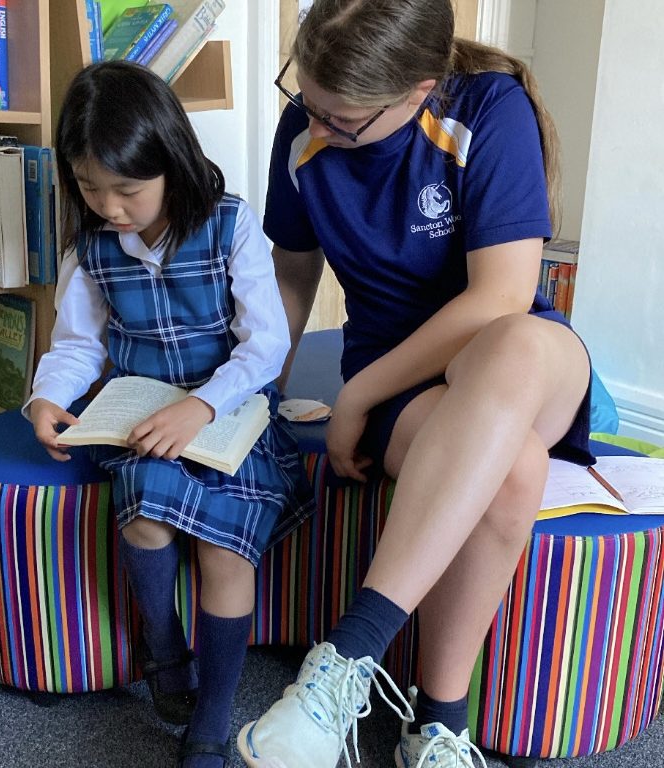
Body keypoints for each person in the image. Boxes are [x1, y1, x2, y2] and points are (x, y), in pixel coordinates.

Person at [236, 1, 594, 767]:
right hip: (410, 385)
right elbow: (293, 279)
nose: (319, 126)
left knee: (514, 344)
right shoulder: (305, 126)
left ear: (419, 91)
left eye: (344, 119)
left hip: (519, 363)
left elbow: (499, 297)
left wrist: (356, 397)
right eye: (308, 102)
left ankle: (346, 656)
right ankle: (438, 728)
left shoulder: (489, 111)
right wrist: (250, 391)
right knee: (514, 471)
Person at [25, 60, 313, 768]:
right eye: (91, 189)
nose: (110, 208)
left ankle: (210, 725)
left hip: (231, 410)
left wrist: (203, 403)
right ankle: (163, 650)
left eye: (127, 190)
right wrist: (45, 397)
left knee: (224, 549)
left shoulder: (228, 223)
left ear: (171, 162)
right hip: (142, 415)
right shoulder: (91, 246)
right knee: (146, 513)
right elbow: (77, 344)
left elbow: (266, 342)